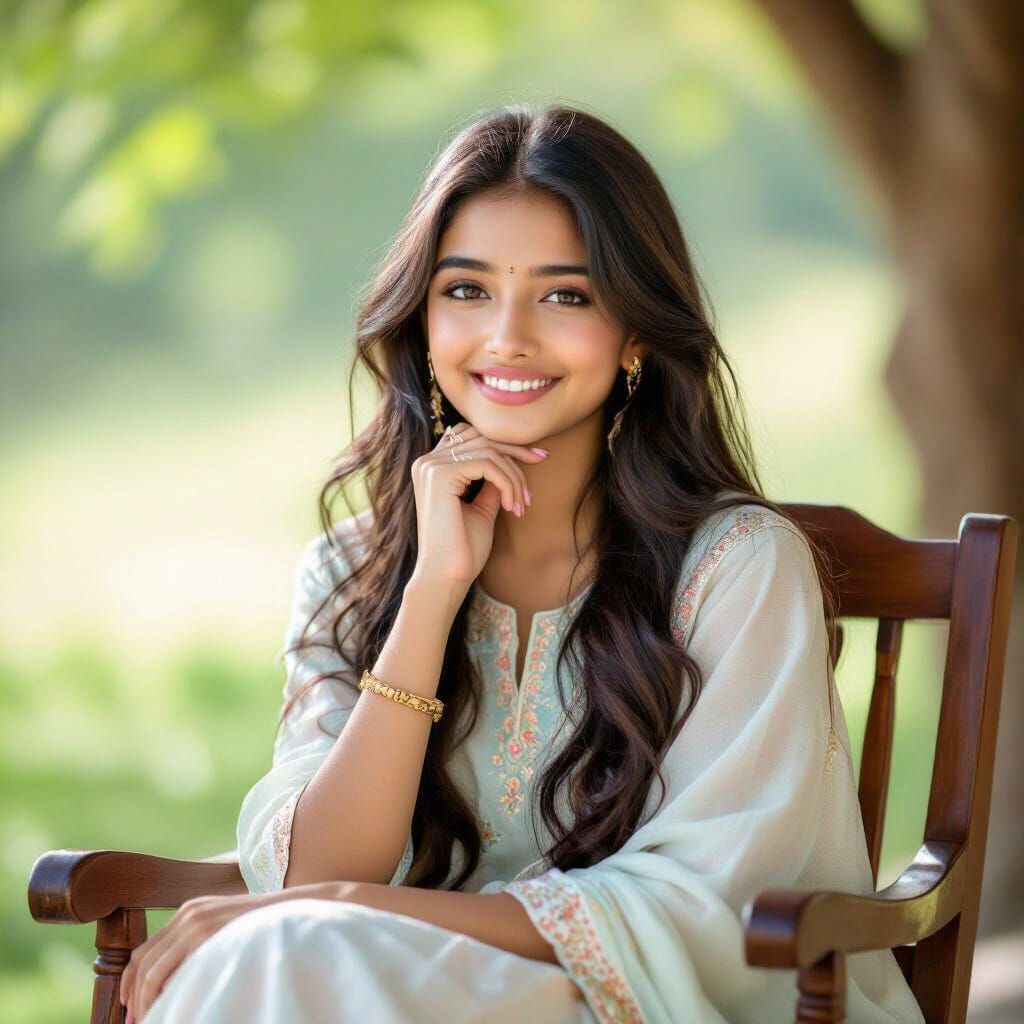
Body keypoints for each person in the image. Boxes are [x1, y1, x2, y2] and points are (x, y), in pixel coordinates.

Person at [121, 103, 926, 1023]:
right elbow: (317, 873)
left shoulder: (738, 570)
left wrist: (345, 912)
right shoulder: (354, 572)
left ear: (635, 334)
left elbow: (707, 908)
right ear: (421, 318)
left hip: (644, 1007)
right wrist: (432, 592)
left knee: (288, 951)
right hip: (377, 980)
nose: (507, 336)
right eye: (466, 290)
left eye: (565, 295)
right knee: (292, 953)